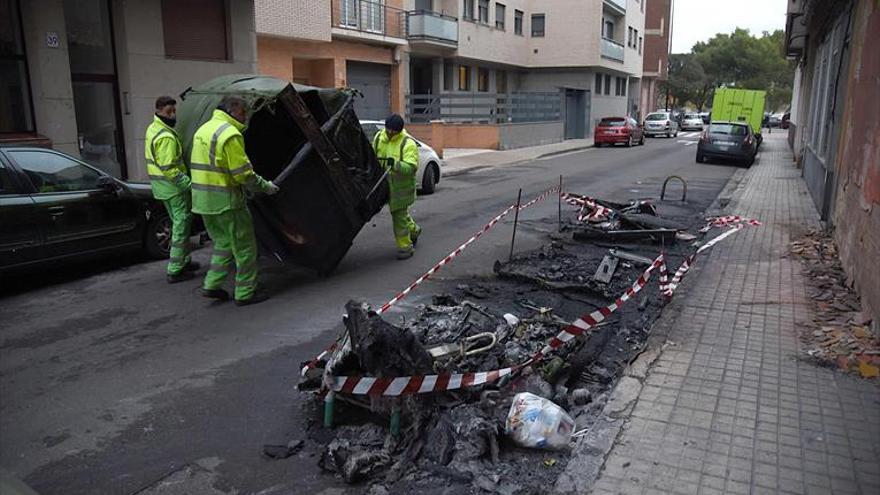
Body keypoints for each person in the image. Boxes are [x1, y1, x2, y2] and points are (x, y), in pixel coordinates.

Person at [190, 96, 280, 306]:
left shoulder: (203, 130)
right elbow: (243, 174)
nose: (245, 117)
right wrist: (266, 186)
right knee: (245, 248)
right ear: (233, 111)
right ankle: (245, 292)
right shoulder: (229, 134)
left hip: (204, 201)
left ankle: (212, 284)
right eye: (243, 113)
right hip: (227, 201)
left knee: (223, 244)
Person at [145, 96, 199, 283]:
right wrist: (189, 185)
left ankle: (184, 261)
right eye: (169, 112)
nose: (173, 115)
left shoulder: (154, 129)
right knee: (181, 227)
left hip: (163, 189)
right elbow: (169, 169)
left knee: (179, 224)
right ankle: (176, 269)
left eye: (174, 111)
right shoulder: (166, 136)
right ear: (159, 111)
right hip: (174, 189)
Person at [371, 113, 421, 259]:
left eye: (394, 131)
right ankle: (414, 230)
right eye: (388, 130)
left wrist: (396, 165)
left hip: (401, 189)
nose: (390, 133)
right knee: (401, 215)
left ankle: (405, 248)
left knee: (398, 217)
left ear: (399, 131)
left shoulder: (408, 143)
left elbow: (411, 167)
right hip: (383, 185)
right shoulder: (379, 138)